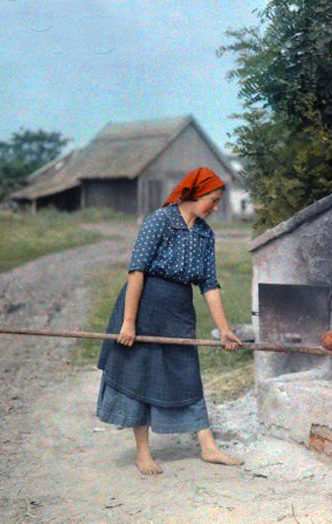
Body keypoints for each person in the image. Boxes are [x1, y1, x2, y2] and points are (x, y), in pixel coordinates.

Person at [96, 167, 244, 476]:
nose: (216, 208)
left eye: (218, 202)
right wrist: (129, 322)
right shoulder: (159, 222)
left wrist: (225, 330)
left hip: (179, 310)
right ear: (195, 194)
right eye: (213, 201)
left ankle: (208, 447)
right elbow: (136, 271)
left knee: (186, 372)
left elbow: (210, 285)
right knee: (141, 373)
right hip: (145, 305)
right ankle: (143, 452)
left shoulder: (205, 234)